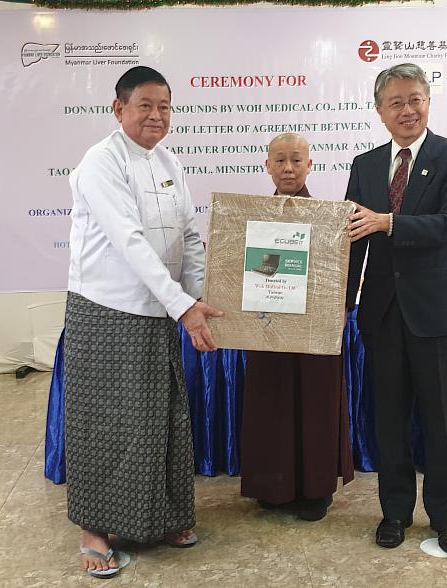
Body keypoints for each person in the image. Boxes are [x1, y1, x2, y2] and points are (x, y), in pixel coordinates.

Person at [65, 66, 222, 578]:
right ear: (119, 109)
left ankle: (167, 516)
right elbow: (129, 242)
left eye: (165, 107)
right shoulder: (100, 162)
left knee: (163, 415)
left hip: (163, 308)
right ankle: (95, 529)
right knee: (107, 423)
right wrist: (183, 305)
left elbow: (190, 237)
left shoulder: (169, 161)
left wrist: (196, 299)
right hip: (107, 311)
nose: (157, 116)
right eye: (145, 106)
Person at [345, 63, 447, 556]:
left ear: (428, 102)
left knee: (442, 418)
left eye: (416, 99)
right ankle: (395, 511)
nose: (408, 109)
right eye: (396, 102)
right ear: (380, 112)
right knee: (390, 417)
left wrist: (389, 223)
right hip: (381, 311)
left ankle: (446, 518)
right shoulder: (364, 165)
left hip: (435, 311)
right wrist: (340, 303)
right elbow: (353, 241)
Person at [240, 133, 355, 521]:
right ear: (267, 166)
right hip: (266, 324)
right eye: (280, 161)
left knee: (316, 402)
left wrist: (340, 308)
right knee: (270, 400)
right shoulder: (249, 216)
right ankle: (272, 486)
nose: (288, 169)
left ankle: (315, 490)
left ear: (310, 165)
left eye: (296, 161)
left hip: (315, 326)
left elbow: (341, 269)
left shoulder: (328, 215)